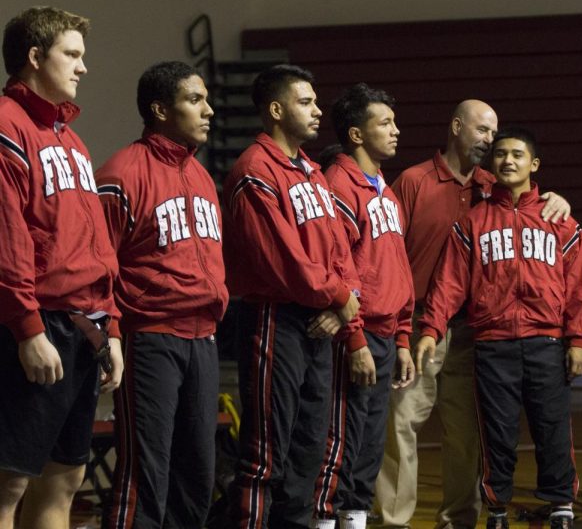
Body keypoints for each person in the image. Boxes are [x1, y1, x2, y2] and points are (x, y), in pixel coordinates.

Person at [375, 101, 570, 529]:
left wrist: (557, 198)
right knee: (401, 425)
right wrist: (399, 325)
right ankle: (393, 520)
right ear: (457, 127)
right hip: (418, 322)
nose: (490, 140)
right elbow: (387, 253)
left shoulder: (491, 183)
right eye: (483, 131)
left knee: (466, 434)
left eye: (495, 133)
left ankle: (458, 520)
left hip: (471, 329)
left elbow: (528, 205)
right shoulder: (413, 181)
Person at [416, 127, 582, 529]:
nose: (507, 161)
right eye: (499, 155)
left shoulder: (560, 221)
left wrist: (578, 339)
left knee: (552, 426)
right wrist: (430, 328)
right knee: (496, 432)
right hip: (492, 343)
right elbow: (449, 283)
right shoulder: (473, 222)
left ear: (534, 165)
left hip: (546, 341)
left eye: (516, 154)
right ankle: (497, 507)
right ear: (491, 164)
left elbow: (578, 287)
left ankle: (561, 503)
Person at [222, 64, 362, 529]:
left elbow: (340, 249)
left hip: (318, 322)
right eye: (306, 102)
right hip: (274, 320)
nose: (318, 109)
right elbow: (283, 260)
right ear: (277, 109)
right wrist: (339, 297)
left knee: (308, 448)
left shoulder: (314, 173)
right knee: (266, 453)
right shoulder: (254, 170)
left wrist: (340, 306)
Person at [0, 6, 123, 529]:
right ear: (34, 57)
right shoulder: (7, 125)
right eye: (72, 54)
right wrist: (27, 328)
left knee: (66, 476)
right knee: (8, 480)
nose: (83, 67)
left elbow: (95, 246)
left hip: (82, 327)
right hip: (34, 324)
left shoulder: (71, 140)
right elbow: (6, 236)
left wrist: (111, 327)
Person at [97, 61, 228, 528]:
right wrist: (111, 333)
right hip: (150, 338)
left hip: (204, 340)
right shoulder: (121, 173)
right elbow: (100, 267)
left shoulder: (202, 176)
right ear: (160, 110)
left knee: (198, 474)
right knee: (145, 476)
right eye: (195, 100)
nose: (209, 110)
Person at [313, 83, 416, 529]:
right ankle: (325, 518)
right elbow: (336, 266)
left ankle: (355, 516)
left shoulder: (385, 191)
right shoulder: (338, 184)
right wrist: (354, 337)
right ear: (356, 134)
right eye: (385, 123)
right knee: (342, 436)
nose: (396, 130)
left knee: (370, 439)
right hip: (356, 334)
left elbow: (397, 269)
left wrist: (405, 335)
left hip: (386, 333)